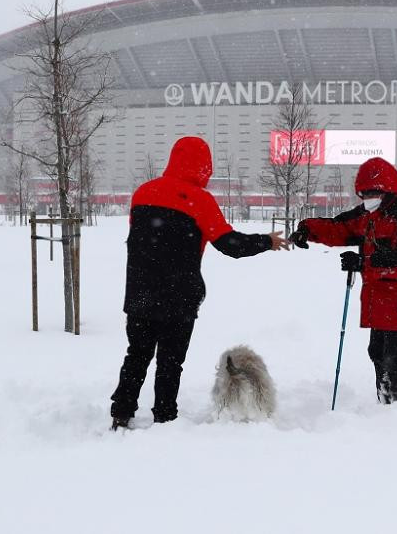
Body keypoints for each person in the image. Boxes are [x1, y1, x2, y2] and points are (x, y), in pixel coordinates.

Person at [109, 136, 287, 430]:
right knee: (170, 362)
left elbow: (141, 240)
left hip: (139, 292)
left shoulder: (142, 193)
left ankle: (121, 412)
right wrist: (266, 241)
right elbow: (229, 243)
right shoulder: (200, 200)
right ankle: (165, 417)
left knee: (137, 355)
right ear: (204, 166)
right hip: (178, 297)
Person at [289, 157, 397, 405]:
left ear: (387, 189)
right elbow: (340, 227)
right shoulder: (370, 213)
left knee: (394, 356)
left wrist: (364, 262)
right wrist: (307, 230)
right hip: (378, 297)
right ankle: (386, 401)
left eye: (372, 192)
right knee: (377, 351)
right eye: (363, 194)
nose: (367, 198)